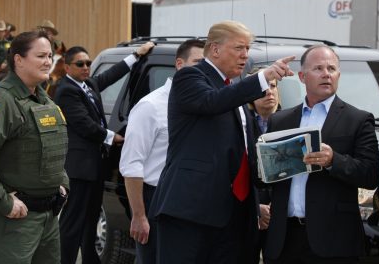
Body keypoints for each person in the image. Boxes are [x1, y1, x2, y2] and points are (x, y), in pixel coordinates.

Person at [149, 21, 294, 263]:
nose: (245, 55)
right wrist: (263, 77)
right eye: (239, 48)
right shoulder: (190, 76)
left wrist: (289, 157)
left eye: (247, 49)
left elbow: (243, 154)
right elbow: (212, 102)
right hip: (191, 212)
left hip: (235, 216)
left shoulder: (234, 92)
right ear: (215, 49)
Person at [263, 45, 379, 263]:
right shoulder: (279, 121)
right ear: (302, 77)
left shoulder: (358, 119)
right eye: (318, 68)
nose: (326, 74)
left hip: (333, 240)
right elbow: (262, 177)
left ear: (338, 75)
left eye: (332, 69)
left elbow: (371, 174)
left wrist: (334, 160)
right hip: (284, 239)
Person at [0, 30, 69, 263]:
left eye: (50, 56)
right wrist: (3, 201)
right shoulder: (2, 100)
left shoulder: (44, 100)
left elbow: (51, 148)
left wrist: (62, 184)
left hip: (47, 217)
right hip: (10, 221)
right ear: (19, 60)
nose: (48, 62)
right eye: (41, 56)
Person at [56, 40, 156, 264]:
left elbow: (111, 75)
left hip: (94, 167)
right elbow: (84, 124)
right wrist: (113, 137)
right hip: (79, 169)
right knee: (73, 222)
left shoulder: (88, 84)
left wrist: (136, 55)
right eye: (80, 64)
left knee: (91, 219)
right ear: (67, 67)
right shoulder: (66, 91)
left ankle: (90, 259)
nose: (85, 67)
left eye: (88, 63)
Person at [119, 39, 205, 264]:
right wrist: (139, 215)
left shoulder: (205, 104)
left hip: (192, 200)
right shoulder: (150, 106)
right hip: (156, 199)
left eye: (207, 64)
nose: (203, 69)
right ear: (179, 64)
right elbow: (131, 165)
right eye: (198, 62)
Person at [246, 73, 281, 264]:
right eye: (263, 88)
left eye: (273, 86)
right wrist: (256, 209)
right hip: (248, 214)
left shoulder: (291, 121)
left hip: (281, 213)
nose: (269, 92)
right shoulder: (241, 123)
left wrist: (278, 206)